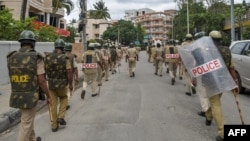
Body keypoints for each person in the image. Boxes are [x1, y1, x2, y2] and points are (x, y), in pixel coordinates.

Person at [7, 30, 51, 141]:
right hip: (30, 97)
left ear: (21, 43)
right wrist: (49, 96)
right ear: (32, 43)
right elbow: (41, 80)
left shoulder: (11, 56)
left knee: (27, 119)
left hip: (17, 95)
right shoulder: (36, 57)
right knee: (26, 122)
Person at [204, 31, 239, 141]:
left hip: (211, 81)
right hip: (223, 80)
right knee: (215, 101)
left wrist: (194, 78)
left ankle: (223, 133)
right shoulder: (227, 50)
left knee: (215, 104)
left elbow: (200, 67)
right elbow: (231, 68)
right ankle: (208, 116)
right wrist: (235, 82)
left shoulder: (205, 51)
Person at [44, 38, 73, 132]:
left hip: (51, 84)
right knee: (64, 98)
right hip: (62, 84)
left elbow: (44, 71)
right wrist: (70, 84)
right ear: (63, 47)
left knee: (53, 104)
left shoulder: (47, 57)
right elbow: (69, 72)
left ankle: (54, 126)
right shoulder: (65, 58)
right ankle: (61, 116)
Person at [192, 32, 210, 117]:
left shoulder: (196, 49)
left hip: (201, 71)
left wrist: (193, 76)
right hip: (211, 70)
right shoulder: (210, 47)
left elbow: (195, 63)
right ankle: (211, 108)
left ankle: (205, 110)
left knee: (202, 91)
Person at [64, 42, 79, 110]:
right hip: (69, 75)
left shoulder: (61, 55)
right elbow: (75, 68)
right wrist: (77, 77)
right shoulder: (72, 56)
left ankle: (64, 102)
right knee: (69, 88)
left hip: (61, 76)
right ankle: (66, 103)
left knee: (64, 89)